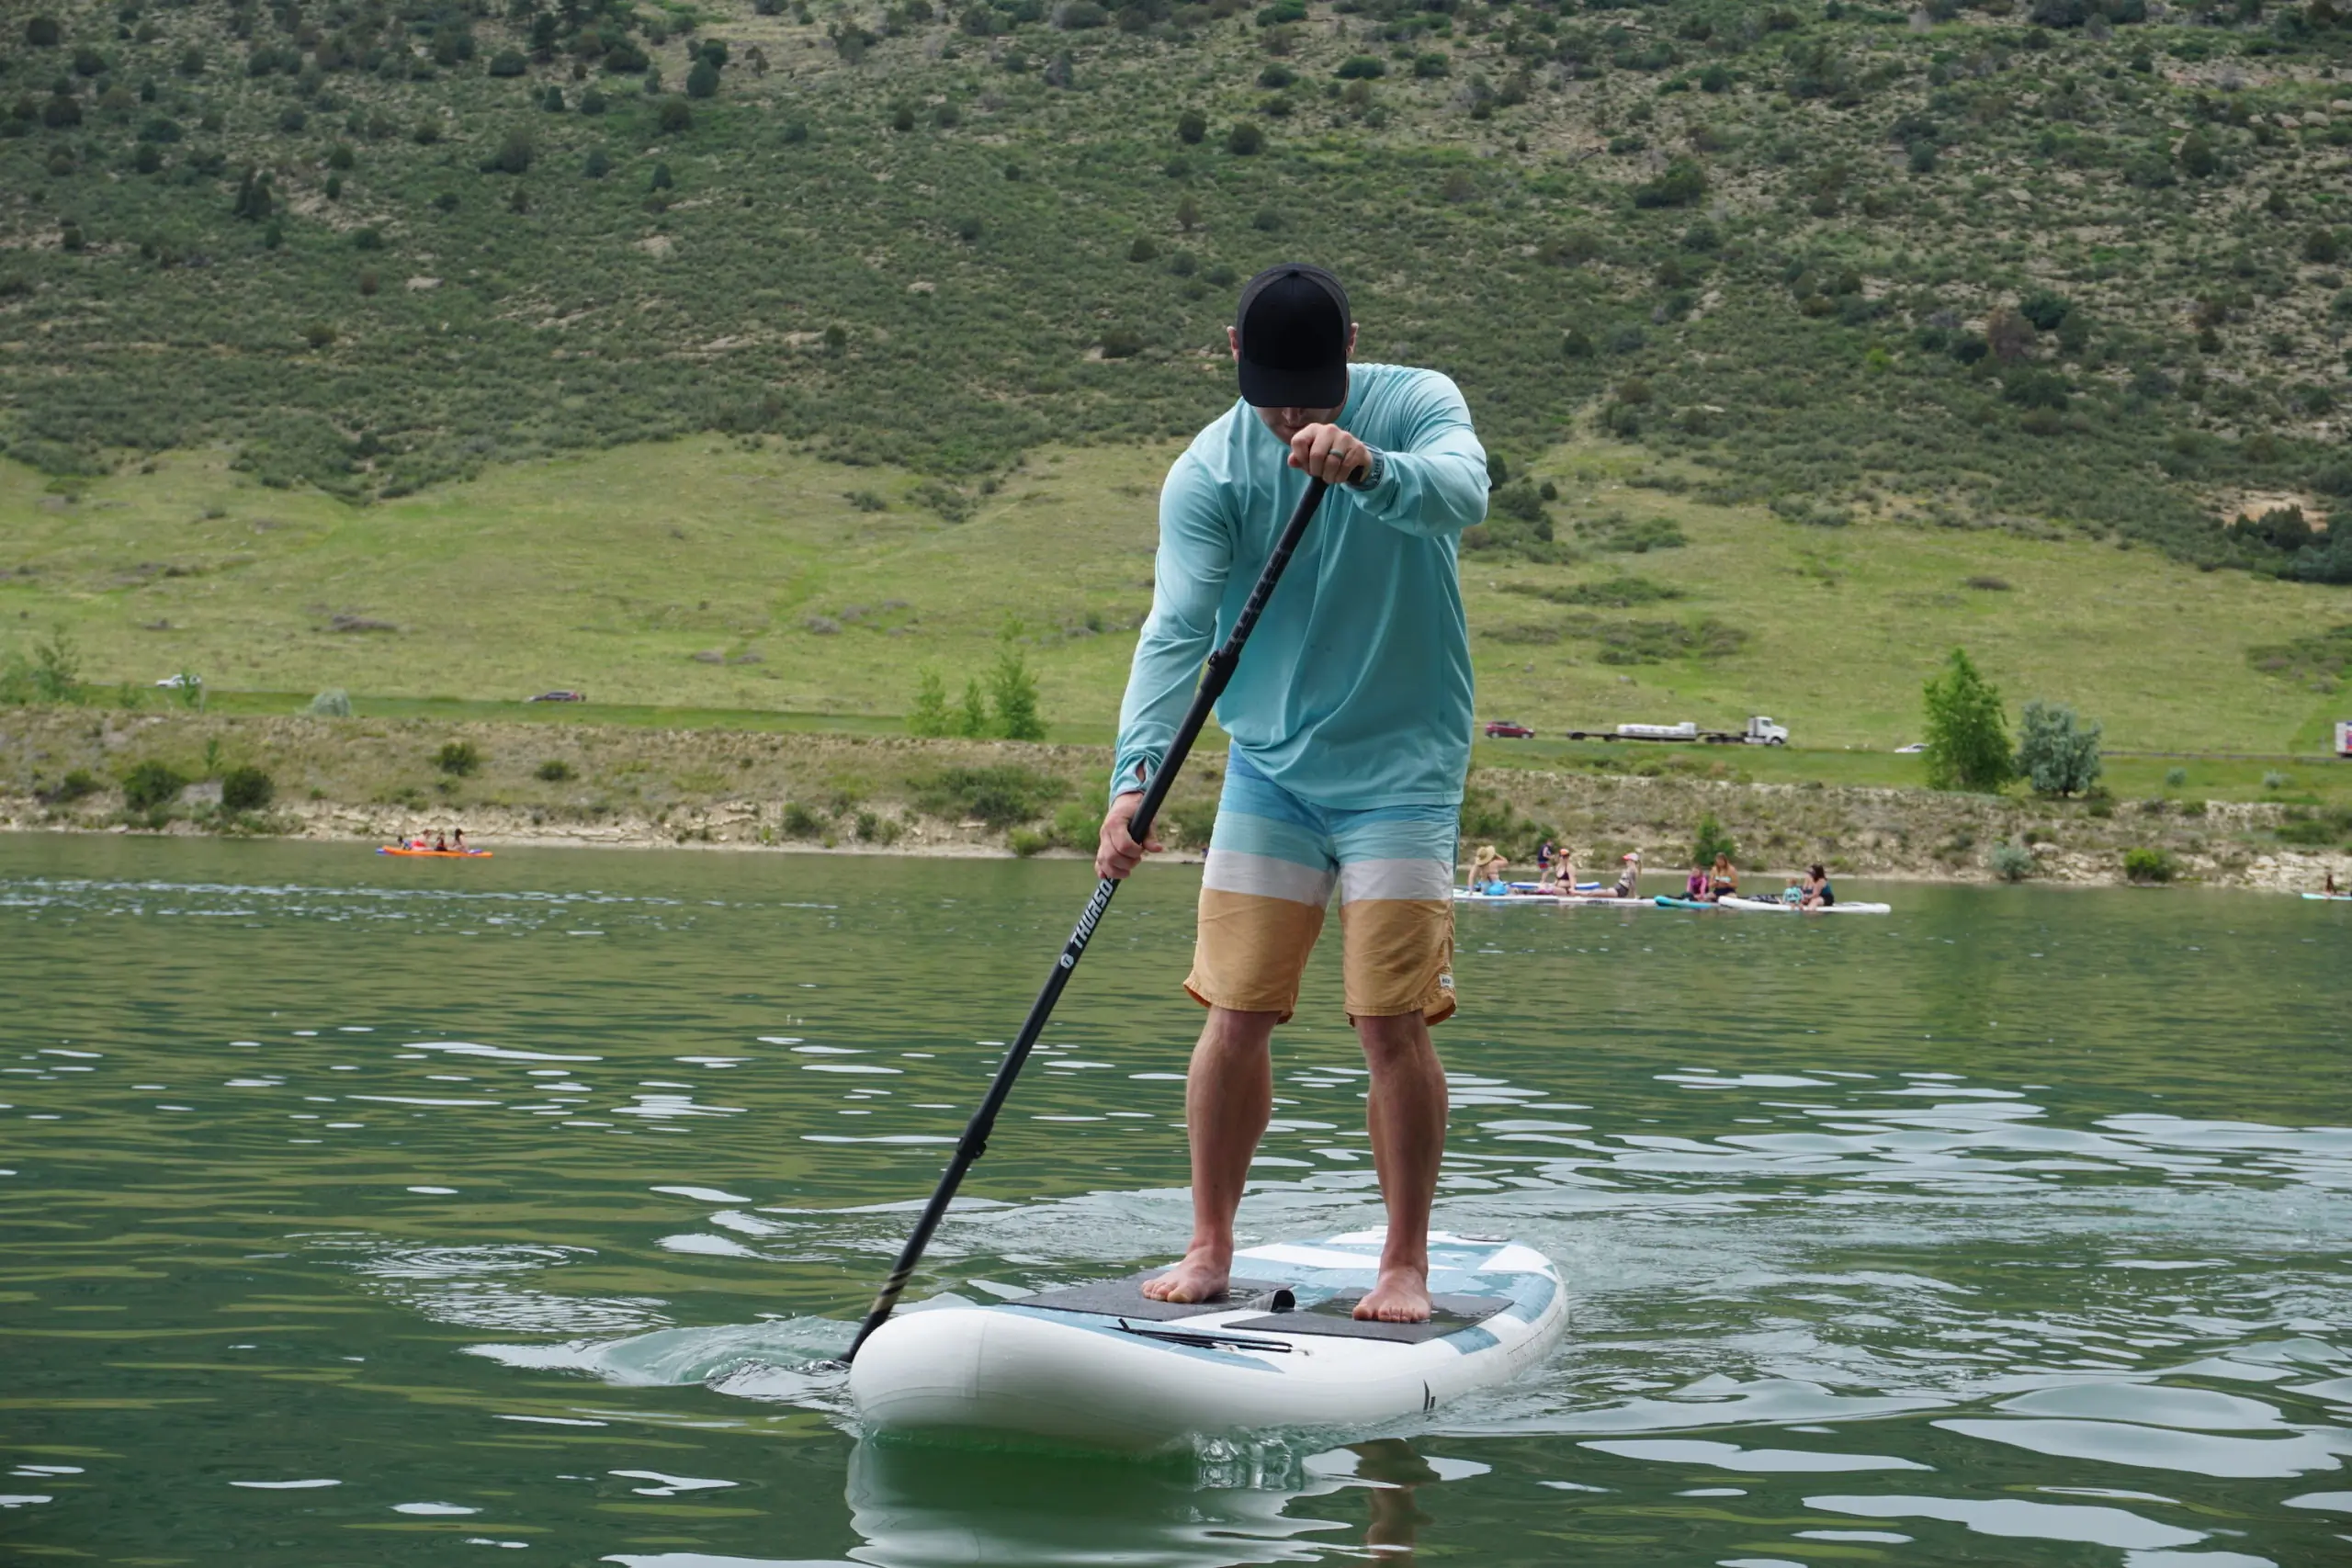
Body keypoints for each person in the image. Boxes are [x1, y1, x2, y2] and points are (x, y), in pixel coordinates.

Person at [1095, 262, 1488, 1324]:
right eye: (1275, 400)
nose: (1294, 419)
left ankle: (1402, 1263)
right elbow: (1176, 633)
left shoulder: (1415, 402)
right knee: (1236, 1010)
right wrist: (1133, 781)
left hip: (1401, 773)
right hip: (1268, 769)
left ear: (1353, 349)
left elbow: (1465, 490)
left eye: (1314, 398)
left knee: (1386, 1021)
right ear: (1232, 355)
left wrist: (1368, 468)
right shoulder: (1208, 475)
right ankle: (1209, 1244)